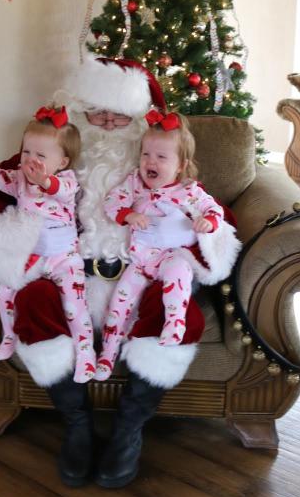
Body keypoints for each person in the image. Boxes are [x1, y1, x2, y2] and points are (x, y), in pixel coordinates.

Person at [0, 56, 239, 489]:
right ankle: (77, 425)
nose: (107, 122)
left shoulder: (161, 165)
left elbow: (210, 212)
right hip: (67, 273)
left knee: (180, 314)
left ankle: (128, 429)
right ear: (77, 112)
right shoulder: (54, 154)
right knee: (32, 302)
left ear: (140, 118)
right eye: (96, 112)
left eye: (119, 114)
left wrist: (199, 232)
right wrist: (5, 226)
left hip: (143, 273)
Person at [0, 106, 96, 384]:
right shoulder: (19, 178)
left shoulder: (67, 181)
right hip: (34, 255)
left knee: (74, 305)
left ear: (62, 162)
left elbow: (62, 192)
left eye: (41, 156)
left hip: (64, 258)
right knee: (5, 291)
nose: (31, 160)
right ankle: (10, 336)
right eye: (26, 152)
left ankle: (86, 353)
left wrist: (44, 180)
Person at [95, 110, 227, 382]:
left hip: (171, 256)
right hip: (140, 261)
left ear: (181, 165)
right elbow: (112, 201)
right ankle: (107, 353)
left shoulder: (189, 190)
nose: (150, 162)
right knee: (119, 303)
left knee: (180, 271)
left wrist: (208, 221)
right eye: (146, 154)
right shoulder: (135, 183)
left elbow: (214, 209)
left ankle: (174, 324)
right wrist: (128, 215)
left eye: (161, 157)